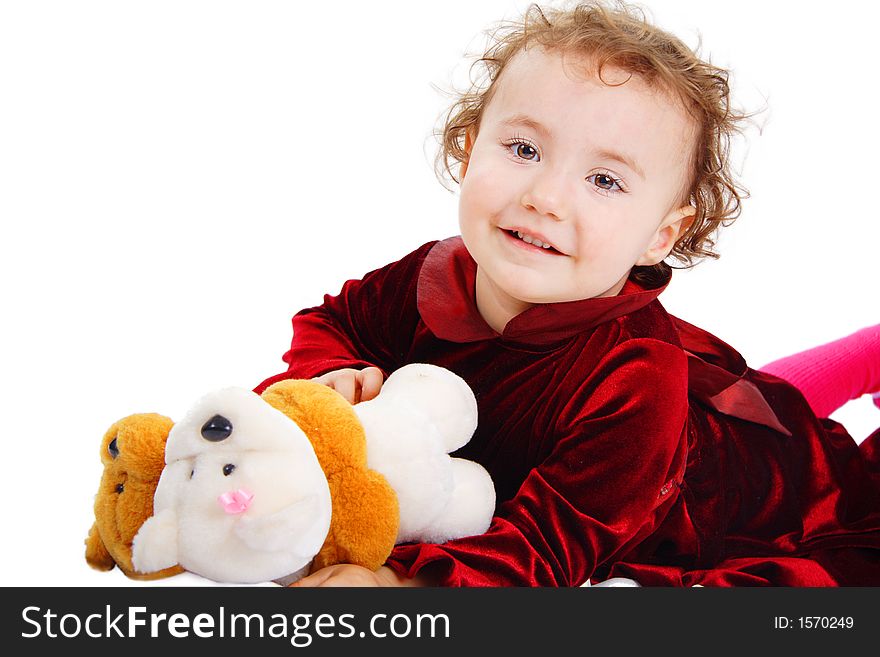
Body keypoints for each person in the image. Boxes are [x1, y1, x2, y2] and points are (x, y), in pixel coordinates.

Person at [254, 2, 880, 586]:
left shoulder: (636, 378)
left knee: (827, 544)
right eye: (524, 148)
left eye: (604, 179)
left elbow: (548, 547)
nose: (546, 198)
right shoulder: (435, 272)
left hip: (756, 497)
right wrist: (331, 372)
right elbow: (332, 322)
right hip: (707, 418)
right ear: (469, 149)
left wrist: (406, 579)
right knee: (753, 405)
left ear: (660, 235)